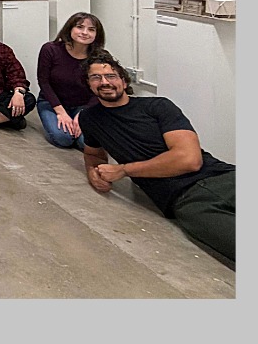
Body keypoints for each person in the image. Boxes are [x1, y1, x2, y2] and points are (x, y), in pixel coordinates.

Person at [78, 50, 235, 262]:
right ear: (88, 85)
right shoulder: (90, 118)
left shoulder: (158, 106)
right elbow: (93, 154)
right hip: (186, 200)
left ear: (124, 81)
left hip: (223, 177)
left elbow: (190, 160)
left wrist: (123, 170)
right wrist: (92, 172)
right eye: (96, 77)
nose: (104, 82)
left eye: (111, 76)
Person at [36, 12, 105, 150]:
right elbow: (44, 82)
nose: (85, 33)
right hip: (52, 104)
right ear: (70, 28)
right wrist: (61, 113)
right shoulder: (50, 49)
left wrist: (83, 114)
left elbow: (100, 89)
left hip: (84, 105)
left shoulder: (100, 56)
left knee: (85, 142)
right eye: (80, 27)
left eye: (91, 30)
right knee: (63, 138)